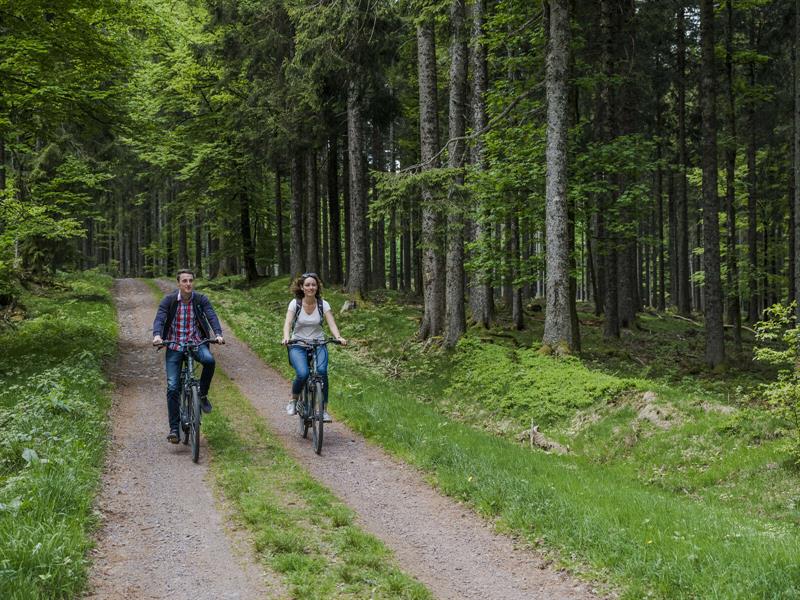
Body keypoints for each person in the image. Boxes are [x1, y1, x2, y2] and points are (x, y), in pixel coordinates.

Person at [153, 269, 224, 443]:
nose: (188, 284)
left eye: (190, 280)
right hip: (174, 345)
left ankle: (202, 395)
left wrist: (218, 333)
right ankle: (174, 429)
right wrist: (157, 335)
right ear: (178, 283)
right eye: (184, 281)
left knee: (209, 361)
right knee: (172, 386)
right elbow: (160, 318)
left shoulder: (200, 300)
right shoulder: (169, 300)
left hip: (195, 343)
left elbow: (211, 316)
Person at [281, 272, 346, 421]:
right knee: (303, 374)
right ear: (302, 288)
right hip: (297, 344)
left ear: (317, 287)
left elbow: (331, 323)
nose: (311, 287)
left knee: (322, 372)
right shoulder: (295, 303)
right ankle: (294, 400)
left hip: (318, 343)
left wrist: (338, 337)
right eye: (308, 285)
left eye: (314, 285)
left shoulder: (323, 304)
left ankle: (322, 410)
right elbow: (288, 323)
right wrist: (286, 337)